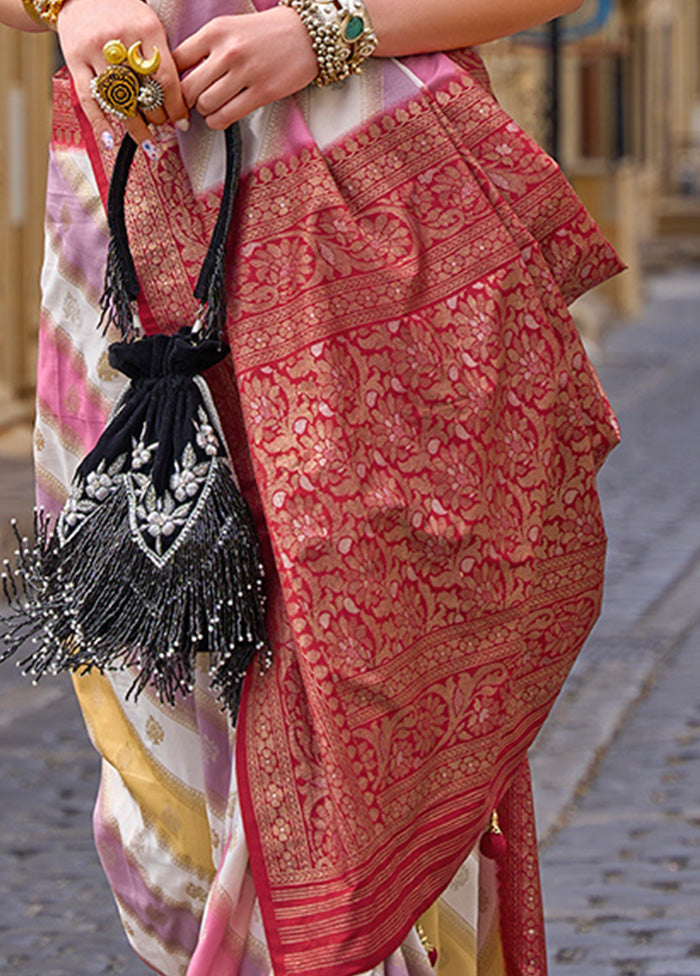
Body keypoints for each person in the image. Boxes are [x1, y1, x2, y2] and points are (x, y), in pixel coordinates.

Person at [0, 1, 623, 974]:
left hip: (365, 263)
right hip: (127, 264)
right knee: (159, 737)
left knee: (370, 685)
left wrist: (324, 31)